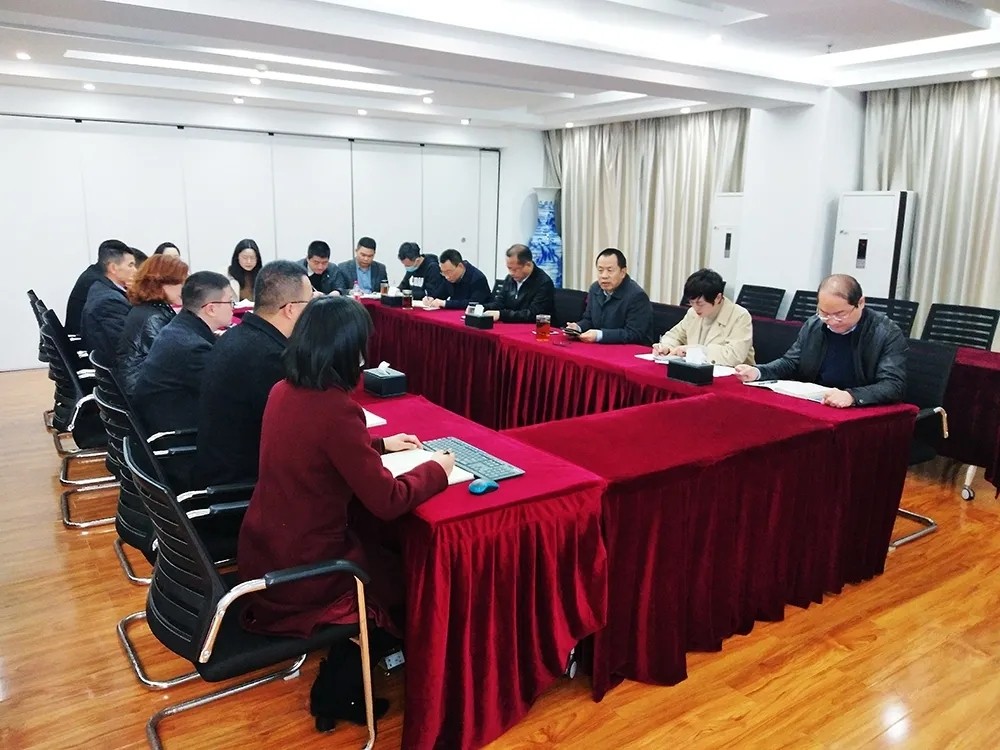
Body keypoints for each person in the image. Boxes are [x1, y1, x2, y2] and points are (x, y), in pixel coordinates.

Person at [237, 295, 455, 730]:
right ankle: (343, 688)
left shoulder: (284, 390)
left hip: (265, 548)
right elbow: (388, 501)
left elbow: (317, 448)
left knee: (380, 553)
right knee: (402, 576)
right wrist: (437, 470)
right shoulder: (336, 408)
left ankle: (354, 669)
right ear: (345, 352)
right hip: (306, 569)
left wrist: (379, 444)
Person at [194, 260, 313, 487]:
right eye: (309, 303)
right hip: (243, 483)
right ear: (290, 309)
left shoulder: (235, 335)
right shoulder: (269, 357)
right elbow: (297, 437)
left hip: (218, 467)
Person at [735, 274, 907, 408]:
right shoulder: (815, 325)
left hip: (858, 409)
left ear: (860, 303)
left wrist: (852, 396)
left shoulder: (885, 333)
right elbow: (791, 362)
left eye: (840, 314)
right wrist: (759, 372)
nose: (831, 321)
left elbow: (893, 385)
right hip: (818, 402)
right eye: (824, 313)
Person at [132, 272, 234, 433]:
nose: (233, 307)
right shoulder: (192, 348)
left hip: (163, 420)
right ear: (211, 309)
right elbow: (227, 392)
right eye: (230, 302)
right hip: (177, 435)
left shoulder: (180, 327)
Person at [116, 254, 189, 396]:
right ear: (160, 283)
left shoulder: (148, 308)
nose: (185, 288)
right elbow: (174, 361)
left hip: (143, 385)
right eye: (181, 283)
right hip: (149, 394)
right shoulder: (154, 318)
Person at [653, 268, 755, 366]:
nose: (695, 308)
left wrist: (695, 350)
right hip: (697, 370)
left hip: (735, 374)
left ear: (718, 298)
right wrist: (667, 347)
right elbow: (675, 335)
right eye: (691, 302)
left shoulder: (740, 316)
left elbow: (734, 355)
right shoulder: (692, 313)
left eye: (700, 303)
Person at [566, 248, 654, 345]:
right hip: (602, 347)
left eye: (610, 270)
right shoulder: (595, 289)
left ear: (623, 272)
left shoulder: (637, 296)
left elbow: (633, 333)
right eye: (600, 270)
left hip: (631, 350)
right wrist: (577, 328)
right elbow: (589, 320)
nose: (604, 276)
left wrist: (600, 335)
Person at [80, 242, 137, 363]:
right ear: (113, 268)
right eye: (130, 265)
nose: (135, 270)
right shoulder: (110, 301)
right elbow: (126, 345)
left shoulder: (101, 287)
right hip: (118, 367)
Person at [66, 238, 128, 336]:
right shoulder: (97, 282)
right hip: (81, 336)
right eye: (130, 265)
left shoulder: (94, 273)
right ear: (113, 266)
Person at [484, 244, 555, 323]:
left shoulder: (544, 283)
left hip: (532, 327)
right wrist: (482, 308)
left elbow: (532, 314)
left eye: (515, 270)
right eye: (509, 268)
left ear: (528, 265)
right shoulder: (510, 279)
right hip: (511, 324)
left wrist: (502, 315)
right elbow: (499, 303)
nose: (511, 273)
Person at [422, 249, 492, 309]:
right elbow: (440, 294)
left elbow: (474, 303)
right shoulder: (449, 277)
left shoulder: (478, 278)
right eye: (443, 272)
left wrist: (445, 303)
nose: (447, 276)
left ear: (460, 266)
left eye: (449, 272)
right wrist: (431, 298)